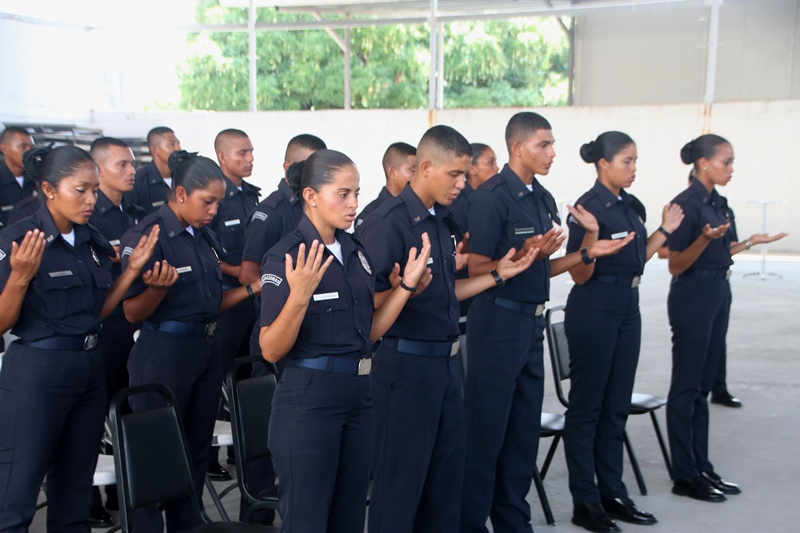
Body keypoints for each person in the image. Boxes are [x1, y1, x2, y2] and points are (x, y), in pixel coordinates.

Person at [461, 112, 634, 533]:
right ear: (518, 147)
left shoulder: (541, 197)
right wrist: (526, 257)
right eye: (544, 144)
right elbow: (477, 269)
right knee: (487, 437)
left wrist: (589, 252)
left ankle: (513, 523)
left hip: (531, 325)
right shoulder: (491, 197)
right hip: (498, 324)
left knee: (522, 437)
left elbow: (543, 268)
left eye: (552, 144)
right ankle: (470, 524)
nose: (552, 152)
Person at [360, 125, 538, 533]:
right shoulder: (387, 222)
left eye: (465, 174)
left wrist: (498, 275)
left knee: (444, 487)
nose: (462, 184)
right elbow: (364, 306)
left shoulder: (441, 220)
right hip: (405, 369)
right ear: (425, 168)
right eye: (455, 174)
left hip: (445, 366)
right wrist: (403, 289)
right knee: (399, 490)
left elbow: (445, 292)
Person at [258, 149, 431, 532]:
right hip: (310, 399)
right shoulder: (286, 257)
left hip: (358, 395)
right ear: (311, 196)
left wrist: (405, 287)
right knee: (307, 521)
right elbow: (270, 348)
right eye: (343, 194)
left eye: (356, 193)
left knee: (349, 517)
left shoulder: (355, 252)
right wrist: (300, 296)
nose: (353, 204)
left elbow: (369, 331)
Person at [0, 144, 159, 533]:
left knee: (74, 492)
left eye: (94, 190)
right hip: (38, 372)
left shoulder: (91, 239)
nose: (91, 200)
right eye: (80, 190)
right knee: (16, 493)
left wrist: (131, 271)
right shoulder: (18, 239)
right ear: (49, 189)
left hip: (88, 367)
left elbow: (96, 311)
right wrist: (19, 277)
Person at [119, 150, 261, 533]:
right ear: (181, 194)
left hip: (205, 350)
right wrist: (155, 291)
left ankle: (187, 525)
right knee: (156, 452)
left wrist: (253, 288)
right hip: (163, 355)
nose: (214, 210)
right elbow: (132, 312)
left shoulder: (203, 236)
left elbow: (210, 304)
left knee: (196, 451)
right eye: (207, 201)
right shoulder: (149, 236)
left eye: (218, 202)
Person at [563, 131, 684, 532]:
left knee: (616, 405)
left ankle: (612, 493)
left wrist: (664, 230)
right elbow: (579, 274)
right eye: (627, 161)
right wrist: (591, 235)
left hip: (627, 307)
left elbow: (637, 258)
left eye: (635, 160)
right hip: (594, 306)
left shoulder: (630, 205)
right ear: (604, 164)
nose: (634, 168)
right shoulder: (587, 209)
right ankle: (586, 501)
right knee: (588, 408)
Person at [666, 134, 786, 503]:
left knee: (703, 385)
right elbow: (675, 263)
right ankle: (684, 474)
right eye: (726, 161)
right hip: (693, 294)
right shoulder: (685, 204)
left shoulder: (717, 202)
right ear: (703, 163)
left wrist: (749, 242)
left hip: (718, 290)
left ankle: (701, 465)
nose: (731, 168)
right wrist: (704, 239)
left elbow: (721, 248)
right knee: (687, 385)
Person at [87, 137, 145, 527]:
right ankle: (88, 497)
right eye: (121, 164)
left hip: (134, 329)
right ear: (98, 170)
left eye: (132, 164)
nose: (131, 170)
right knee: (93, 417)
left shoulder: (136, 215)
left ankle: (121, 488)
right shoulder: (89, 218)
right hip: (104, 329)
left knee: (127, 411)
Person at [206, 128, 261, 484]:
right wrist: (236, 272)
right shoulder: (214, 197)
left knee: (246, 376)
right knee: (215, 378)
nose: (250, 159)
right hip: (226, 298)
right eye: (242, 153)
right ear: (222, 156)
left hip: (252, 297)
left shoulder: (251, 196)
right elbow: (206, 251)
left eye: (251, 152)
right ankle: (210, 455)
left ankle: (241, 448)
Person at [239, 133, 326, 357]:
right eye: (308, 167)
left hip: (312, 324)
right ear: (288, 167)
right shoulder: (271, 213)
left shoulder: (315, 207)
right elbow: (249, 275)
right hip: (278, 323)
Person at [353, 141, 416, 236]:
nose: (419, 177)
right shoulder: (372, 216)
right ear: (392, 172)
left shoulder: (419, 209)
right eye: (413, 171)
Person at [447, 142, 499, 234]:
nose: (496, 168)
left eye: (496, 163)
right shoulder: (459, 201)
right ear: (472, 169)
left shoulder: (495, 195)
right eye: (490, 163)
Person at [128, 126, 181, 215]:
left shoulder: (183, 177)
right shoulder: (138, 182)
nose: (178, 148)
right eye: (172, 144)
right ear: (154, 150)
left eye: (178, 144)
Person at [0, 126, 37, 229]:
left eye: (31, 148)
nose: (29, 153)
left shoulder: (37, 180)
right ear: (4, 148)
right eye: (23, 147)